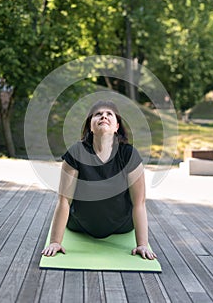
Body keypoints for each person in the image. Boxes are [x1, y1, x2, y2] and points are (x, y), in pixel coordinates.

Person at [42, 100, 156, 260]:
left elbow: (139, 203)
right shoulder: (76, 153)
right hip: (80, 226)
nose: (104, 116)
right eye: (98, 114)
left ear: (117, 127)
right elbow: (64, 201)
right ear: (90, 126)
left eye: (109, 114)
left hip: (121, 226)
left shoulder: (129, 155)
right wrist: (55, 242)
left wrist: (142, 244)